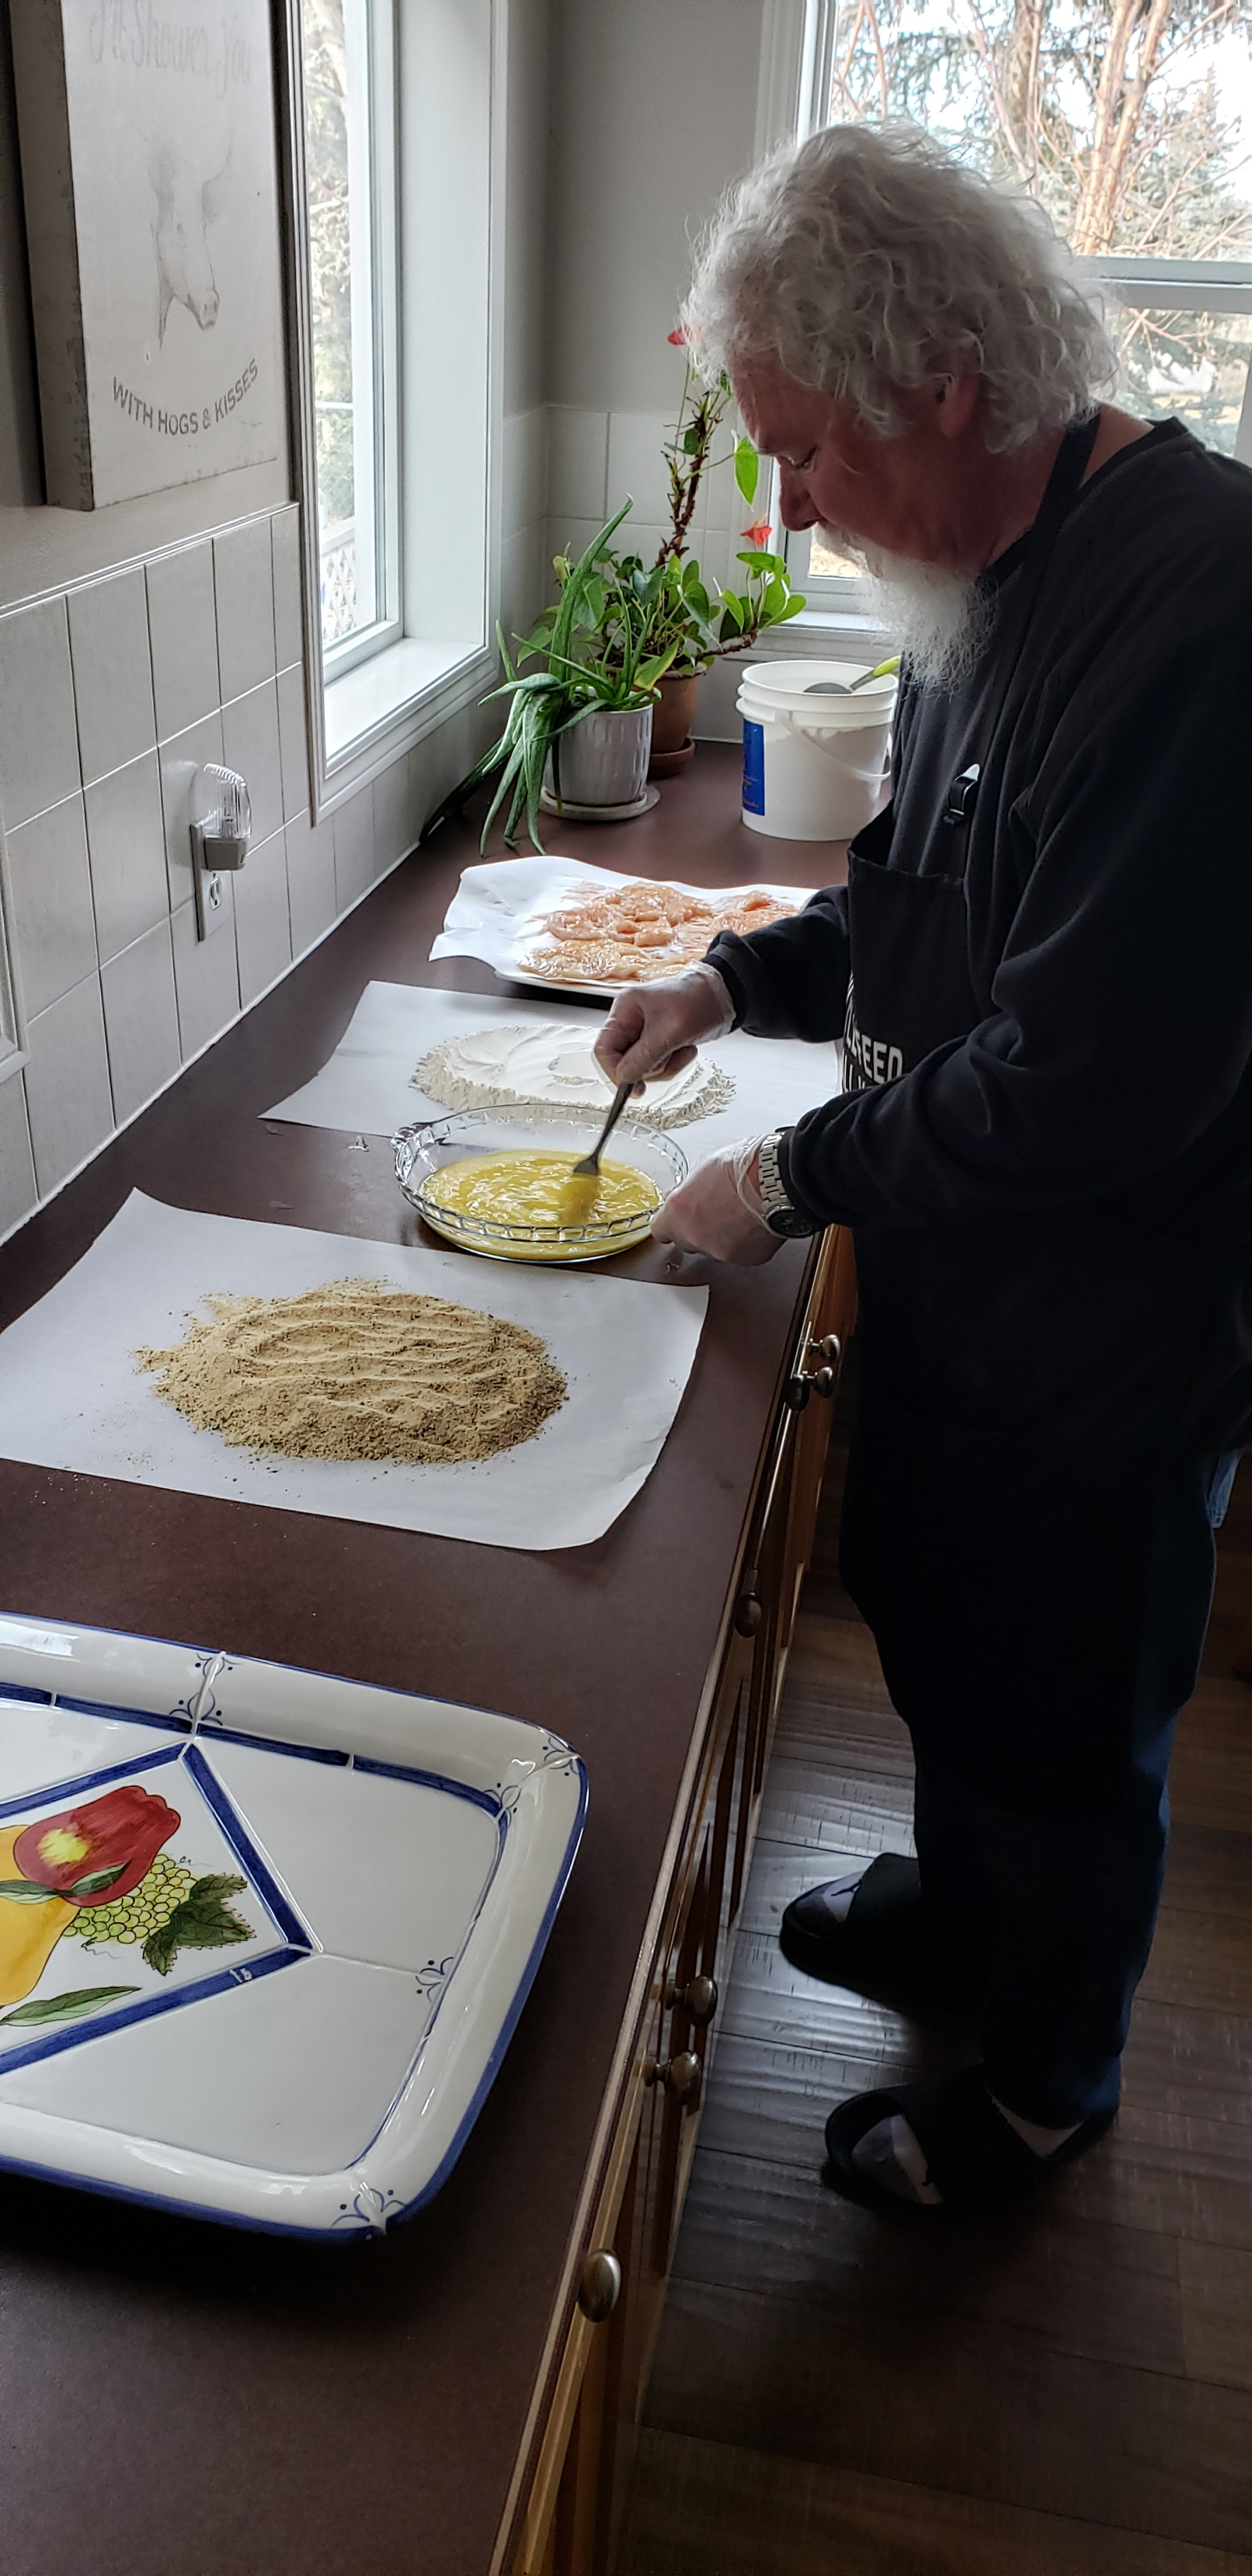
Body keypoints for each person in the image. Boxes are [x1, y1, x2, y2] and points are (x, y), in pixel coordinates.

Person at [594, 122, 1252, 2214]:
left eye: (804, 450)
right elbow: (927, 902)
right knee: (957, 1623)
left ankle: (1049, 2075)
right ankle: (965, 1923)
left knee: (1071, 1708)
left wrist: (782, 1182)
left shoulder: (1205, 612)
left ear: (944, 382)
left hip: (1120, 1320)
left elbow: (1082, 1078)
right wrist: (734, 976)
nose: (790, 506)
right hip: (982, 1288)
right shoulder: (987, 563)